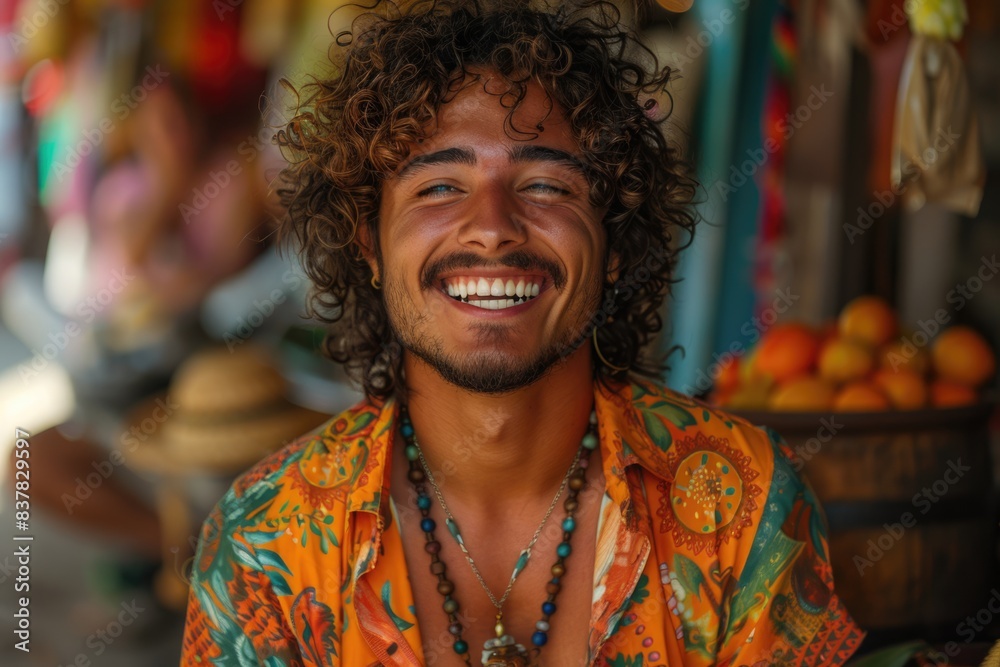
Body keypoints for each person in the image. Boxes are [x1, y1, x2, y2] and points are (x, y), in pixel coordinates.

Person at [180, 2, 863, 665]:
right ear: (370, 243)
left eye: (545, 185)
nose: (493, 226)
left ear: (614, 238)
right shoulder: (265, 545)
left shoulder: (740, 505)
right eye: (440, 187)